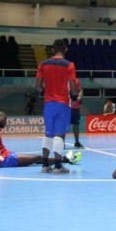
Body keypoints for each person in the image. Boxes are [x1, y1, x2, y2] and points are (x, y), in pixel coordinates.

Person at [0, 111, 81, 170]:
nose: (6, 122)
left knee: (35, 159)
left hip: (5, 156)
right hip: (3, 160)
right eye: (5, 120)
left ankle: (62, 159)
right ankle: (65, 159)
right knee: (37, 158)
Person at [35, 38, 78, 174]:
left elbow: (37, 86)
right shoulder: (69, 65)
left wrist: (45, 90)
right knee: (59, 135)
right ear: (65, 50)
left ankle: (45, 165)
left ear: (52, 50)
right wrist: (75, 95)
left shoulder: (43, 64)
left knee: (48, 134)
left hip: (48, 104)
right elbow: (72, 86)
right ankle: (58, 166)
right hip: (62, 103)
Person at [70, 78, 84, 149]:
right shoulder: (63, 79)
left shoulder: (76, 80)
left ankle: (77, 142)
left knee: (76, 125)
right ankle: (61, 143)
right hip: (65, 107)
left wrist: (79, 96)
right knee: (63, 126)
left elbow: (80, 90)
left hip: (75, 108)